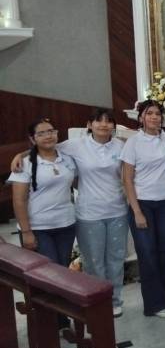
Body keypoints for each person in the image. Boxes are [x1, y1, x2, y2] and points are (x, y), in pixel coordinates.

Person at [9, 110, 129, 317]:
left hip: (116, 210)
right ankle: (96, 303)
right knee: (92, 262)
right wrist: (19, 155)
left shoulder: (121, 146)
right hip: (88, 213)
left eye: (109, 121)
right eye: (98, 121)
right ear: (89, 124)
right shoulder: (75, 145)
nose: (104, 125)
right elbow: (44, 147)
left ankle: (115, 300)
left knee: (115, 259)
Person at [9, 118, 77, 329]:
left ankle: (60, 319)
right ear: (32, 139)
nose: (48, 136)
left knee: (62, 271)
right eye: (41, 133)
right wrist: (26, 232)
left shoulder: (66, 158)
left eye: (51, 131)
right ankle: (46, 321)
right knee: (48, 275)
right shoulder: (25, 163)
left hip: (66, 224)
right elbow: (18, 200)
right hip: (38, 228)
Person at [121, 100, 165, 318]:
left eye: (157, 113)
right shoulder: (133, 142)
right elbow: (127, 179)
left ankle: (163, 297)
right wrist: (136, 211)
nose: (154, 117)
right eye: (149, 113)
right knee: (147, 253)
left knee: (164, 249)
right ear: (141, 118)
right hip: (143, 203)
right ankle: (155, 305)